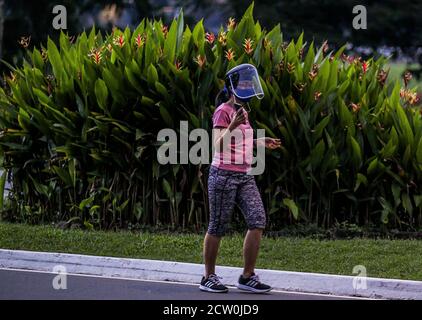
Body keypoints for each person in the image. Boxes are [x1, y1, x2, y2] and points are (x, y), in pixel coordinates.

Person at [200, 64, 281, 293]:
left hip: (245, 175)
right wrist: (232, 124)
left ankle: (247, 277)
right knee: (217, 226)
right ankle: (208, 277)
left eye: (249, 82)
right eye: (243, 83)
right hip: (223, 175)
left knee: (257, 221)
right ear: (233, 86)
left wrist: (261, 142)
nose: (247, 86)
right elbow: (217, 145)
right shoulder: (223, 111)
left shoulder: (244, 110)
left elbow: (241, 140)